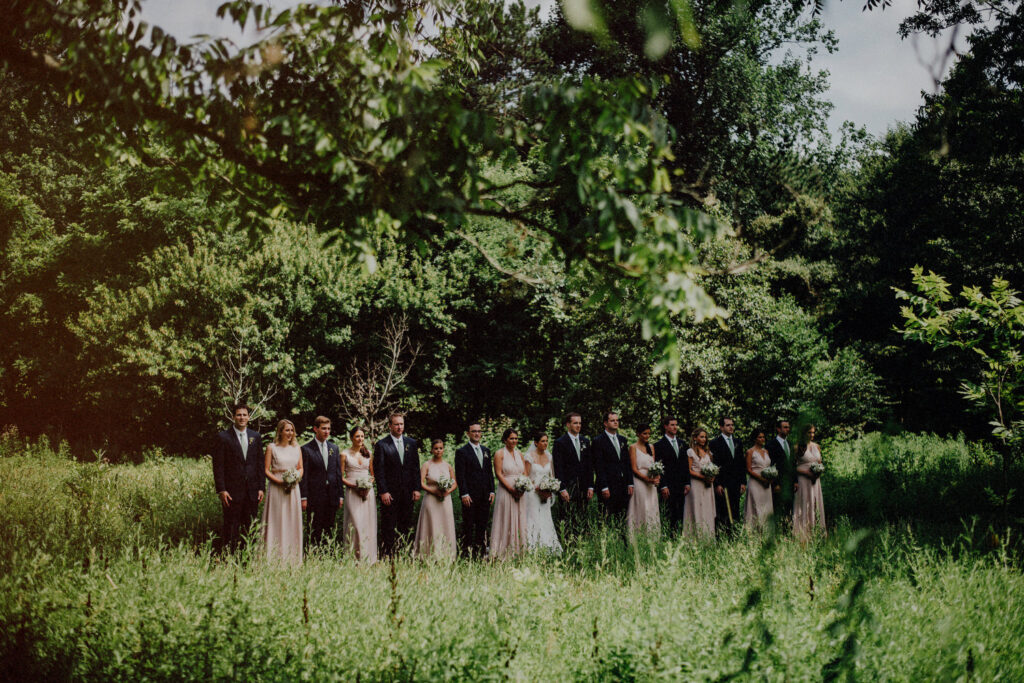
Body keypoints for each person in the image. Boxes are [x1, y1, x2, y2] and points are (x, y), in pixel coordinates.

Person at [211, 403, 265, 552]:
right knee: (231, 527)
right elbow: (218, 466)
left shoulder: (255, 436)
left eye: (244, 415)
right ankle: (229, 557)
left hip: (252, 491)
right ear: (233, 417)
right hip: (231, 492)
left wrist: (261, 487)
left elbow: (260, 463)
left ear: (249, 417)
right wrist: (221, 489)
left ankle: (249, 558)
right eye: (239, 415)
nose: (242, 418)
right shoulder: (223, 437)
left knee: (251, 527)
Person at [373, 412, 422, 556]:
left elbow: (415, 468)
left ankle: (404, 554)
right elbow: (379, 470)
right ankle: (387, 554)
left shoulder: (411, 443)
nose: (399, 427)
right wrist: (383, 491)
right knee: (388, 524)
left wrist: (417, 488)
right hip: (390, 493)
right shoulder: (382, 445)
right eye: (396, 424)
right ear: (390, 426)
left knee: (405, 524)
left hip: (407, 492)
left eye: (401, 424)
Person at [262, 419, 303, 564]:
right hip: (276, 487)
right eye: (287, 430)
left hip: (293, 487)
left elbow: (300, 468)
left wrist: (295, 478)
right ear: (280, 431)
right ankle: (273, 556)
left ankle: (292, 558)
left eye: (292, 430)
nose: (290, 433)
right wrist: (279, 481)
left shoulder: (297, 448)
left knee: (291, 519)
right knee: (277, 519)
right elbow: (266, 469)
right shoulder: (271, 447)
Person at [299, 416, 343, 548]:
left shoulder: (334, 448)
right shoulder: (306, 449)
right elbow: (304, 475)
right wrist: (304, 497)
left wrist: (340, 495)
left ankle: (328, 553)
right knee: (315, 527)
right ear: (315, 429)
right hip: (314, 496)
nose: (326, 431)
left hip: (332, 495)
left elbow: (338, 473)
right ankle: (313, 553)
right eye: (323, 428)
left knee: (329, 527)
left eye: (328, 429)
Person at [454, 422, 494, 558]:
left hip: (485, 495)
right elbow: (460, 475)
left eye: (479, 431)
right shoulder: (461, 452)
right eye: (474, 431)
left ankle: (481, 553)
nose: (477, 433)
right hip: (469, 495)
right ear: (468, 434)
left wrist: (492, 491)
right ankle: (467, 554)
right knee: (469, 525)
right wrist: (464, 493)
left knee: (482, 525)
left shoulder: (486, 451)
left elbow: (489, 473)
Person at [414, 439, 458, 559]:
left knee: (445, 524)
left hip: (445, 500)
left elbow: (454, 483)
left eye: (441, 448)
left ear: (443, 449)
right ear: (432, 450)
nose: (439, 450)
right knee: (432, 524)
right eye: (436, 448)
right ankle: (428, 554)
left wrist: (447, 492)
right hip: (431, 499)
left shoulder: (448, 465)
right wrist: (433, 491)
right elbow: (421, 482)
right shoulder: (427, 465)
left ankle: (446, 554)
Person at [551, 412, 593, 538]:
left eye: (580, 423)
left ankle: (582, 540)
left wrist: (590, 486)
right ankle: (568, 542)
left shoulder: (585, 441)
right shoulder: (560, 442)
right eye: (575, 423)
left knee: (582, 515)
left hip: (584, 486)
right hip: (568, 486)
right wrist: (562, 488)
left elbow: (589, 466)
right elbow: (558, 467)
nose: (578, 425)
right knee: (567, 515)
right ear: (568, 424)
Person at [490, 428, 529, 559]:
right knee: (505, 517)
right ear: (505, 439)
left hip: (520, 491)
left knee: (519, 518)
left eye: (516, 438)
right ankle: (502, 551)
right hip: (506, 490)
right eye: (511, 438)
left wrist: (523, 487)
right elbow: (498, 474)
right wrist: (511, 489)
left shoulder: (520, 454)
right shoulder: (499, 453)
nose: (514, 441)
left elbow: (524, 473)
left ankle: (519, 551)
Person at [341, 426, 377, 564]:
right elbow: (341, 476)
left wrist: (368, 485)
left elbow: (373, 475)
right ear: (351, 438)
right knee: (354, 523)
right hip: (352, 491)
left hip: (367, 492)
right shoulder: (344, 454)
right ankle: (353, 556)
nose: (360, 439)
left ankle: (368, 557)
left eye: (362, 436)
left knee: (367, 524)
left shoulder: (368, 453)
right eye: (357, 436)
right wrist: (355, 486)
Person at [591, 411, 634, 523]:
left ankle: (622, 539)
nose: (616, 422)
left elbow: (627, 463)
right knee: (606, 516)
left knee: (622, 516)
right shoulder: (598, 441)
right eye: (612, 420)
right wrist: (604, 486)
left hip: (623, 484)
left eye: (617, 420)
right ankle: (607, 539)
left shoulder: (622, 440)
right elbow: (598, 465)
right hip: (608, 485)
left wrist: (630, 482)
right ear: (605, 423)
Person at [524, 432, 562, 553]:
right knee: (534, 518)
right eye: (542, 441)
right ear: (536, 443)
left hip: (546, 493)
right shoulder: (529, 457)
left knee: (546, 519)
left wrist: (550, 488)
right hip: (532, 494)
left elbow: (551, 476)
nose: (545, 443)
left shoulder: (549, 456)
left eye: (546, 441)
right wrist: (536, 488)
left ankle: (548, 546)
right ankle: (531, 547)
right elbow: (525, 477)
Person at [653, 416, 690, 533]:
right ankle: (668, 538)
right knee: (669, 513)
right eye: (672, 425)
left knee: (681, 513)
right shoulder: (658, 445)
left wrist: (687, 483)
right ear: (665, 426)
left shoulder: (682, 444)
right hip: (667, 485)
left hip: (681, 485)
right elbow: (658, 467)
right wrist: (663, 486)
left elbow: (686, 466)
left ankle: (679, 536)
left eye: (676, 425)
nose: (675, 427)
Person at [709, 417, 745, 535]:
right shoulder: (714, 443)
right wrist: (717, 484)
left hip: (736, 482)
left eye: (732, 425)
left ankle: (735, 534)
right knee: (723, 510)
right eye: (728, 425)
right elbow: (714, 465)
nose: (731, 427)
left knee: (735, 509)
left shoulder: (738, 442)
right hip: (722, 482)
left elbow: (741, 463)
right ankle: (722, 535)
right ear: (721, 427)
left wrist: (743, 482)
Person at [626, 424, 661, 539]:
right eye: (644, 433)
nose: (647, 436)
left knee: (652, 508)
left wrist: (656, 476)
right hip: (640, 482)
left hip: (651, 484)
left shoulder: (651, 447)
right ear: (638, 434)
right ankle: (638, 537)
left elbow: (654, 465)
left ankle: (653, 537)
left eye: (648, 433)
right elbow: (634, 468)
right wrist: (647, 479)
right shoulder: (633, 447)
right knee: (642, 507)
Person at [793, 425, 826, 541]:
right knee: (804, 503)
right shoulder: (797, 447)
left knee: (815, 504)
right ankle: (802, 534)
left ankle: (816, 533)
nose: (812, 435)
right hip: (803, 480)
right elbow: (791, 467)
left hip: (815, 481)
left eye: (813, 432)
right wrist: (806, 473)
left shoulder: (817, 446)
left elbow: (819, 463)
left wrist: (819, 471)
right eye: (809, 433)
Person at [682, 427, 717, 538]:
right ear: (695, 438)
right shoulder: (690, 451)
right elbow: (688, 470)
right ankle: (695, 537)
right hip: (696, 484)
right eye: (701, 437)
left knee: (707, 509)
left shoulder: (708, 452)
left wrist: (712, 476)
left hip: (707, 485)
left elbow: (712, 467)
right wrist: (703, 477)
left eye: (705, 437)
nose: (704, 439)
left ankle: (708, 537)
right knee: (697, 509)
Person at [743, 428, 775, 528]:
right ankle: (754, 531)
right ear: (755, 439)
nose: (762, 439)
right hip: (755, 483)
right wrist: (762, 479)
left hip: (766, 484)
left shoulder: (766, 451)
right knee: (756, 506)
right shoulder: (750, 452)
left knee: (766, 507)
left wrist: (771, 476)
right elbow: (748, 469)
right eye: (760, 437)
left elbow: (769, 466)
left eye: (763, 437)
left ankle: (766, 531)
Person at [766, 419, 797, 516]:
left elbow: (794, 464)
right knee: (778, 509)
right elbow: (769, 466)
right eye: (785, 427)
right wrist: (775, 484)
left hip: (790, 483)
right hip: (778, 483)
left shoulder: (790, 444)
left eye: (788, 427)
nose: (788, 429)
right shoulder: (770, 445)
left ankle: (788, 530)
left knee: (789, 510)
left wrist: (795, 481)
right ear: (778, 429)